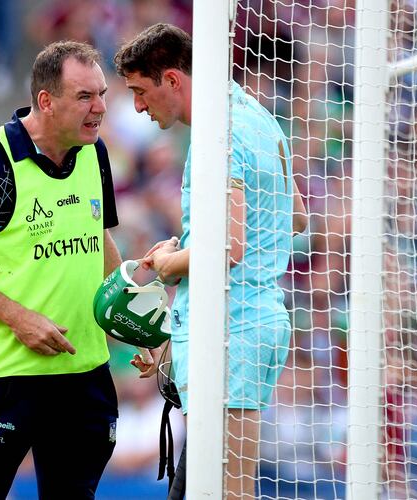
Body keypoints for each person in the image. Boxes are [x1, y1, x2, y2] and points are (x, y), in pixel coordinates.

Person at [113, 23, 308, 499]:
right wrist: (189, 246)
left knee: (230, 490)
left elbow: (228, 249)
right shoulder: (257, 117)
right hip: (242, 325)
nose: (138, 106)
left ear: (173, 81)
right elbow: (296, 216)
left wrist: (168, 262)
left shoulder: (217, 134)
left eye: (141, 91)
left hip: (235, 333)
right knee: (199, 487)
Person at [0, 41, 122, 499]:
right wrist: (19, 317)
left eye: (103, 94)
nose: (100, 108)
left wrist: (128, 315)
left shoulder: (95, 153)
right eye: (85, 97)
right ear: (46, 101)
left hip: (84, 372)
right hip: (8, 377)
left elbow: (99, 238)